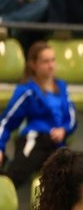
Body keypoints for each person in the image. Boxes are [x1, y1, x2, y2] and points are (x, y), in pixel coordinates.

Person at [0, 41, 76, 187]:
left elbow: (71, 118)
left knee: (68, 181)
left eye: (53, 60)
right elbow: (6, 121)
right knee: (15, 177)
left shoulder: (62, 87)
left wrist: (64, 129)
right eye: (45, 61)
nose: (51, 65)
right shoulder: (27, 91)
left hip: (57, 145)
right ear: (34, 65)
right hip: (35, 139)